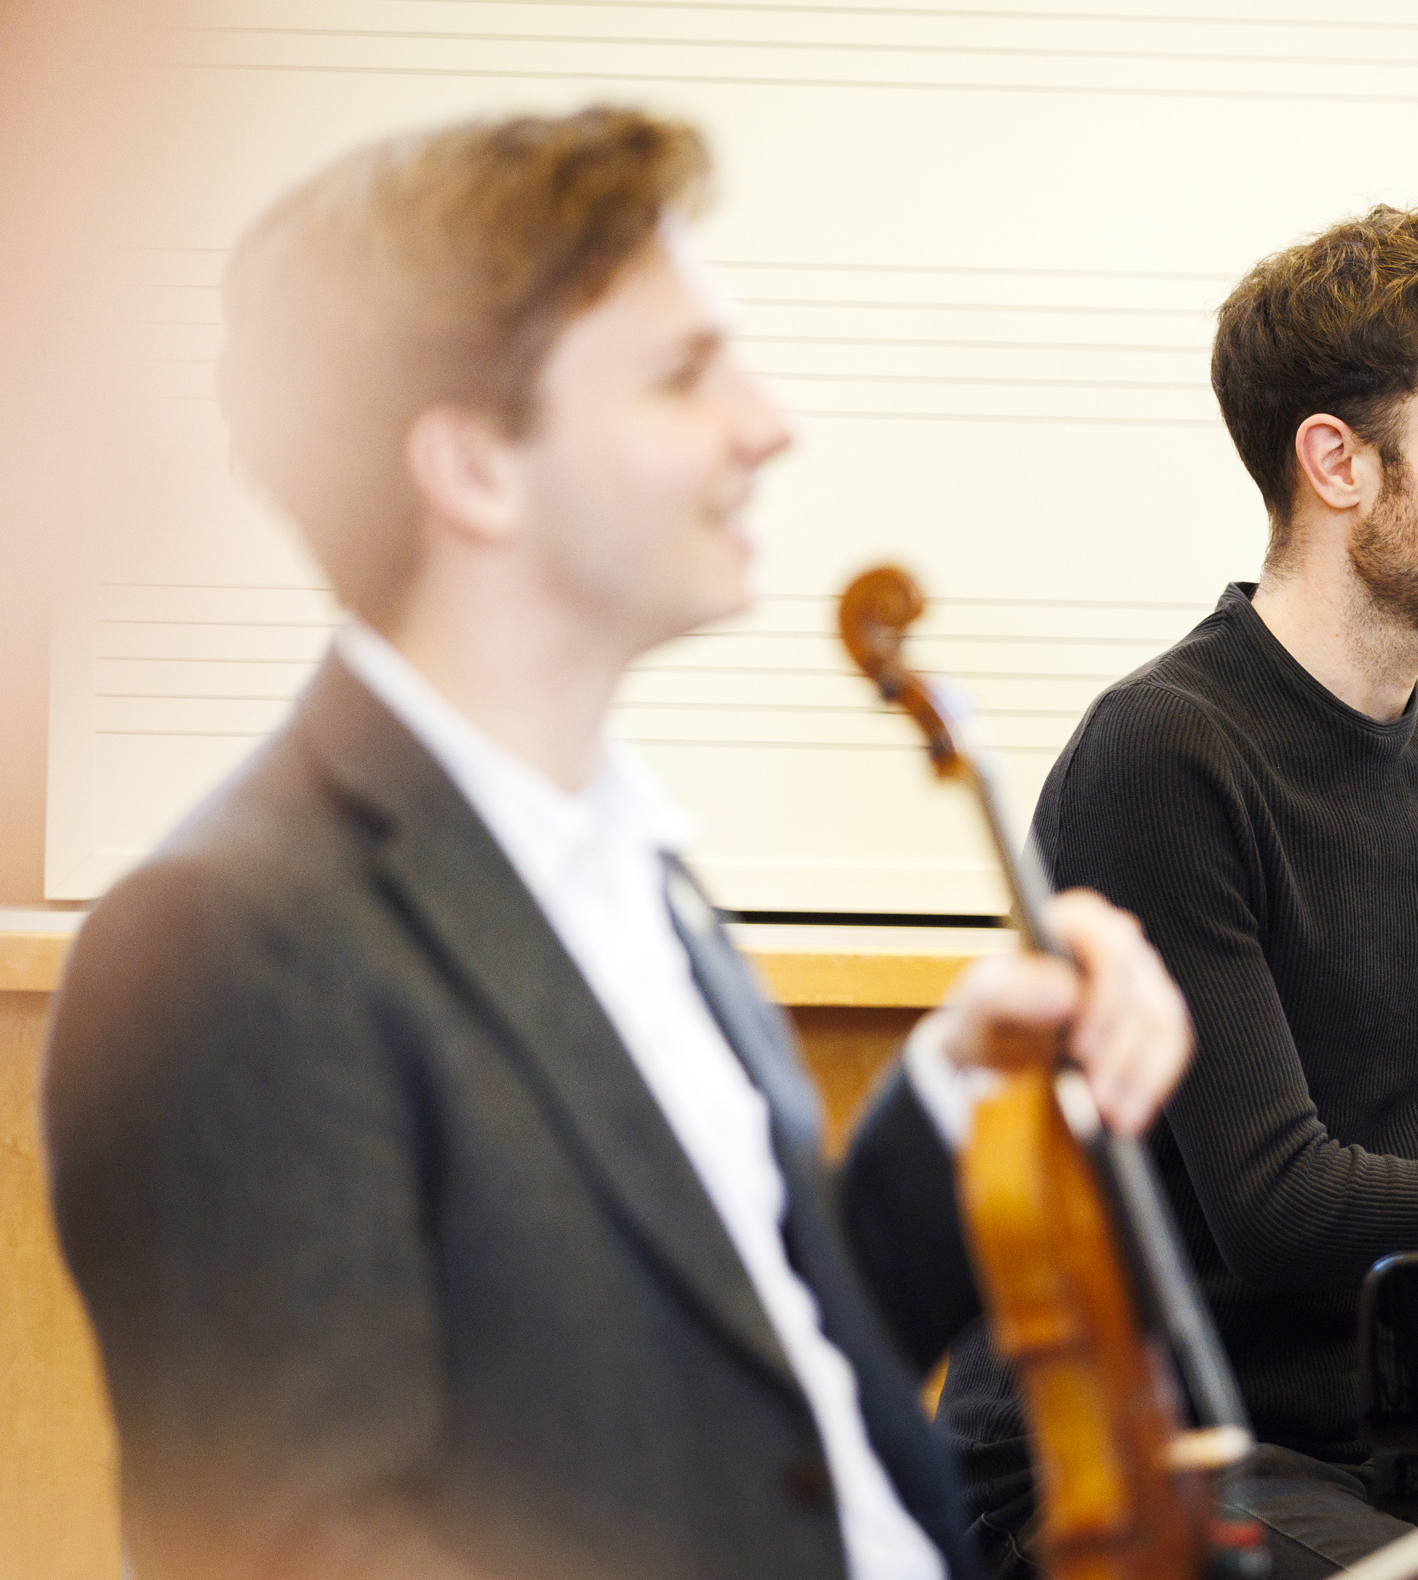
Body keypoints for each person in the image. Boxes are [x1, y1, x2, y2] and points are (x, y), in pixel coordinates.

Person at [43, 107, 1192, 1580]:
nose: (768, 424)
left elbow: (764, 1387)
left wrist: (968, 1089)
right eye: (682, 375)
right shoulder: (229, 940)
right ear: (471, 468)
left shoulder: (621, 858)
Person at [940, 207, 1418, 1579]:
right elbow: (1286, 1208)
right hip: (1113, 1461)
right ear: (1337, 463)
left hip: (1359, 1435)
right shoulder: (1165, 750)